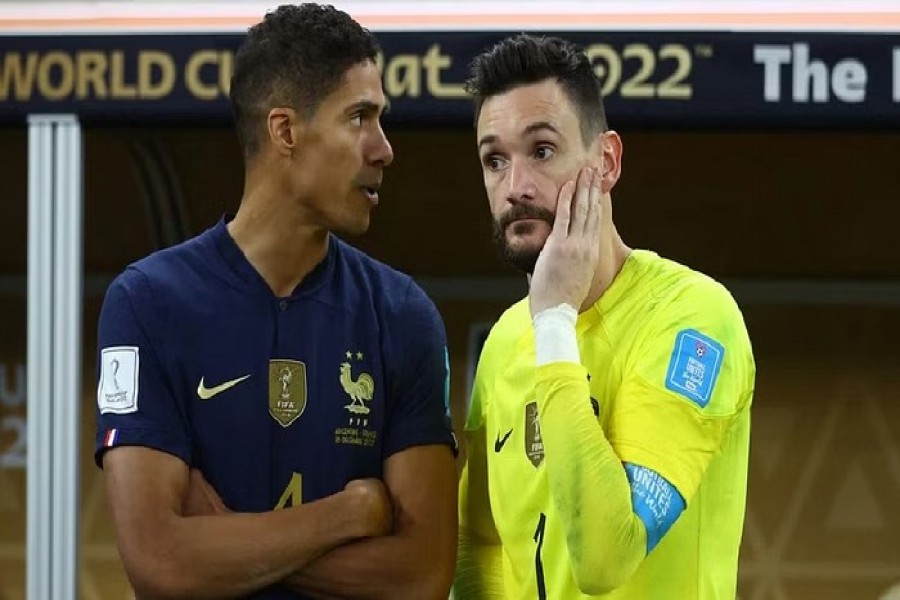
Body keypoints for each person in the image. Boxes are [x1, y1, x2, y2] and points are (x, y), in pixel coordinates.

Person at [94, 4, 457, 599]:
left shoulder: (402, 314)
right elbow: (158, 563)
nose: (384, 149)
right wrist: (347, 516)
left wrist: (225, 539)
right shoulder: (147, 303)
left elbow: (421, 576)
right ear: (285, 131)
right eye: (359, 117)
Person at [454, 34, 755, 599]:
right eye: (494, 160)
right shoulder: (503, 343)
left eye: (541, 151)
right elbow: (482, 541)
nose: (515, 187)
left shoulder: (692, 318)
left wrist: (554, 323)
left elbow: (604, 557)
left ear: (607, 160)